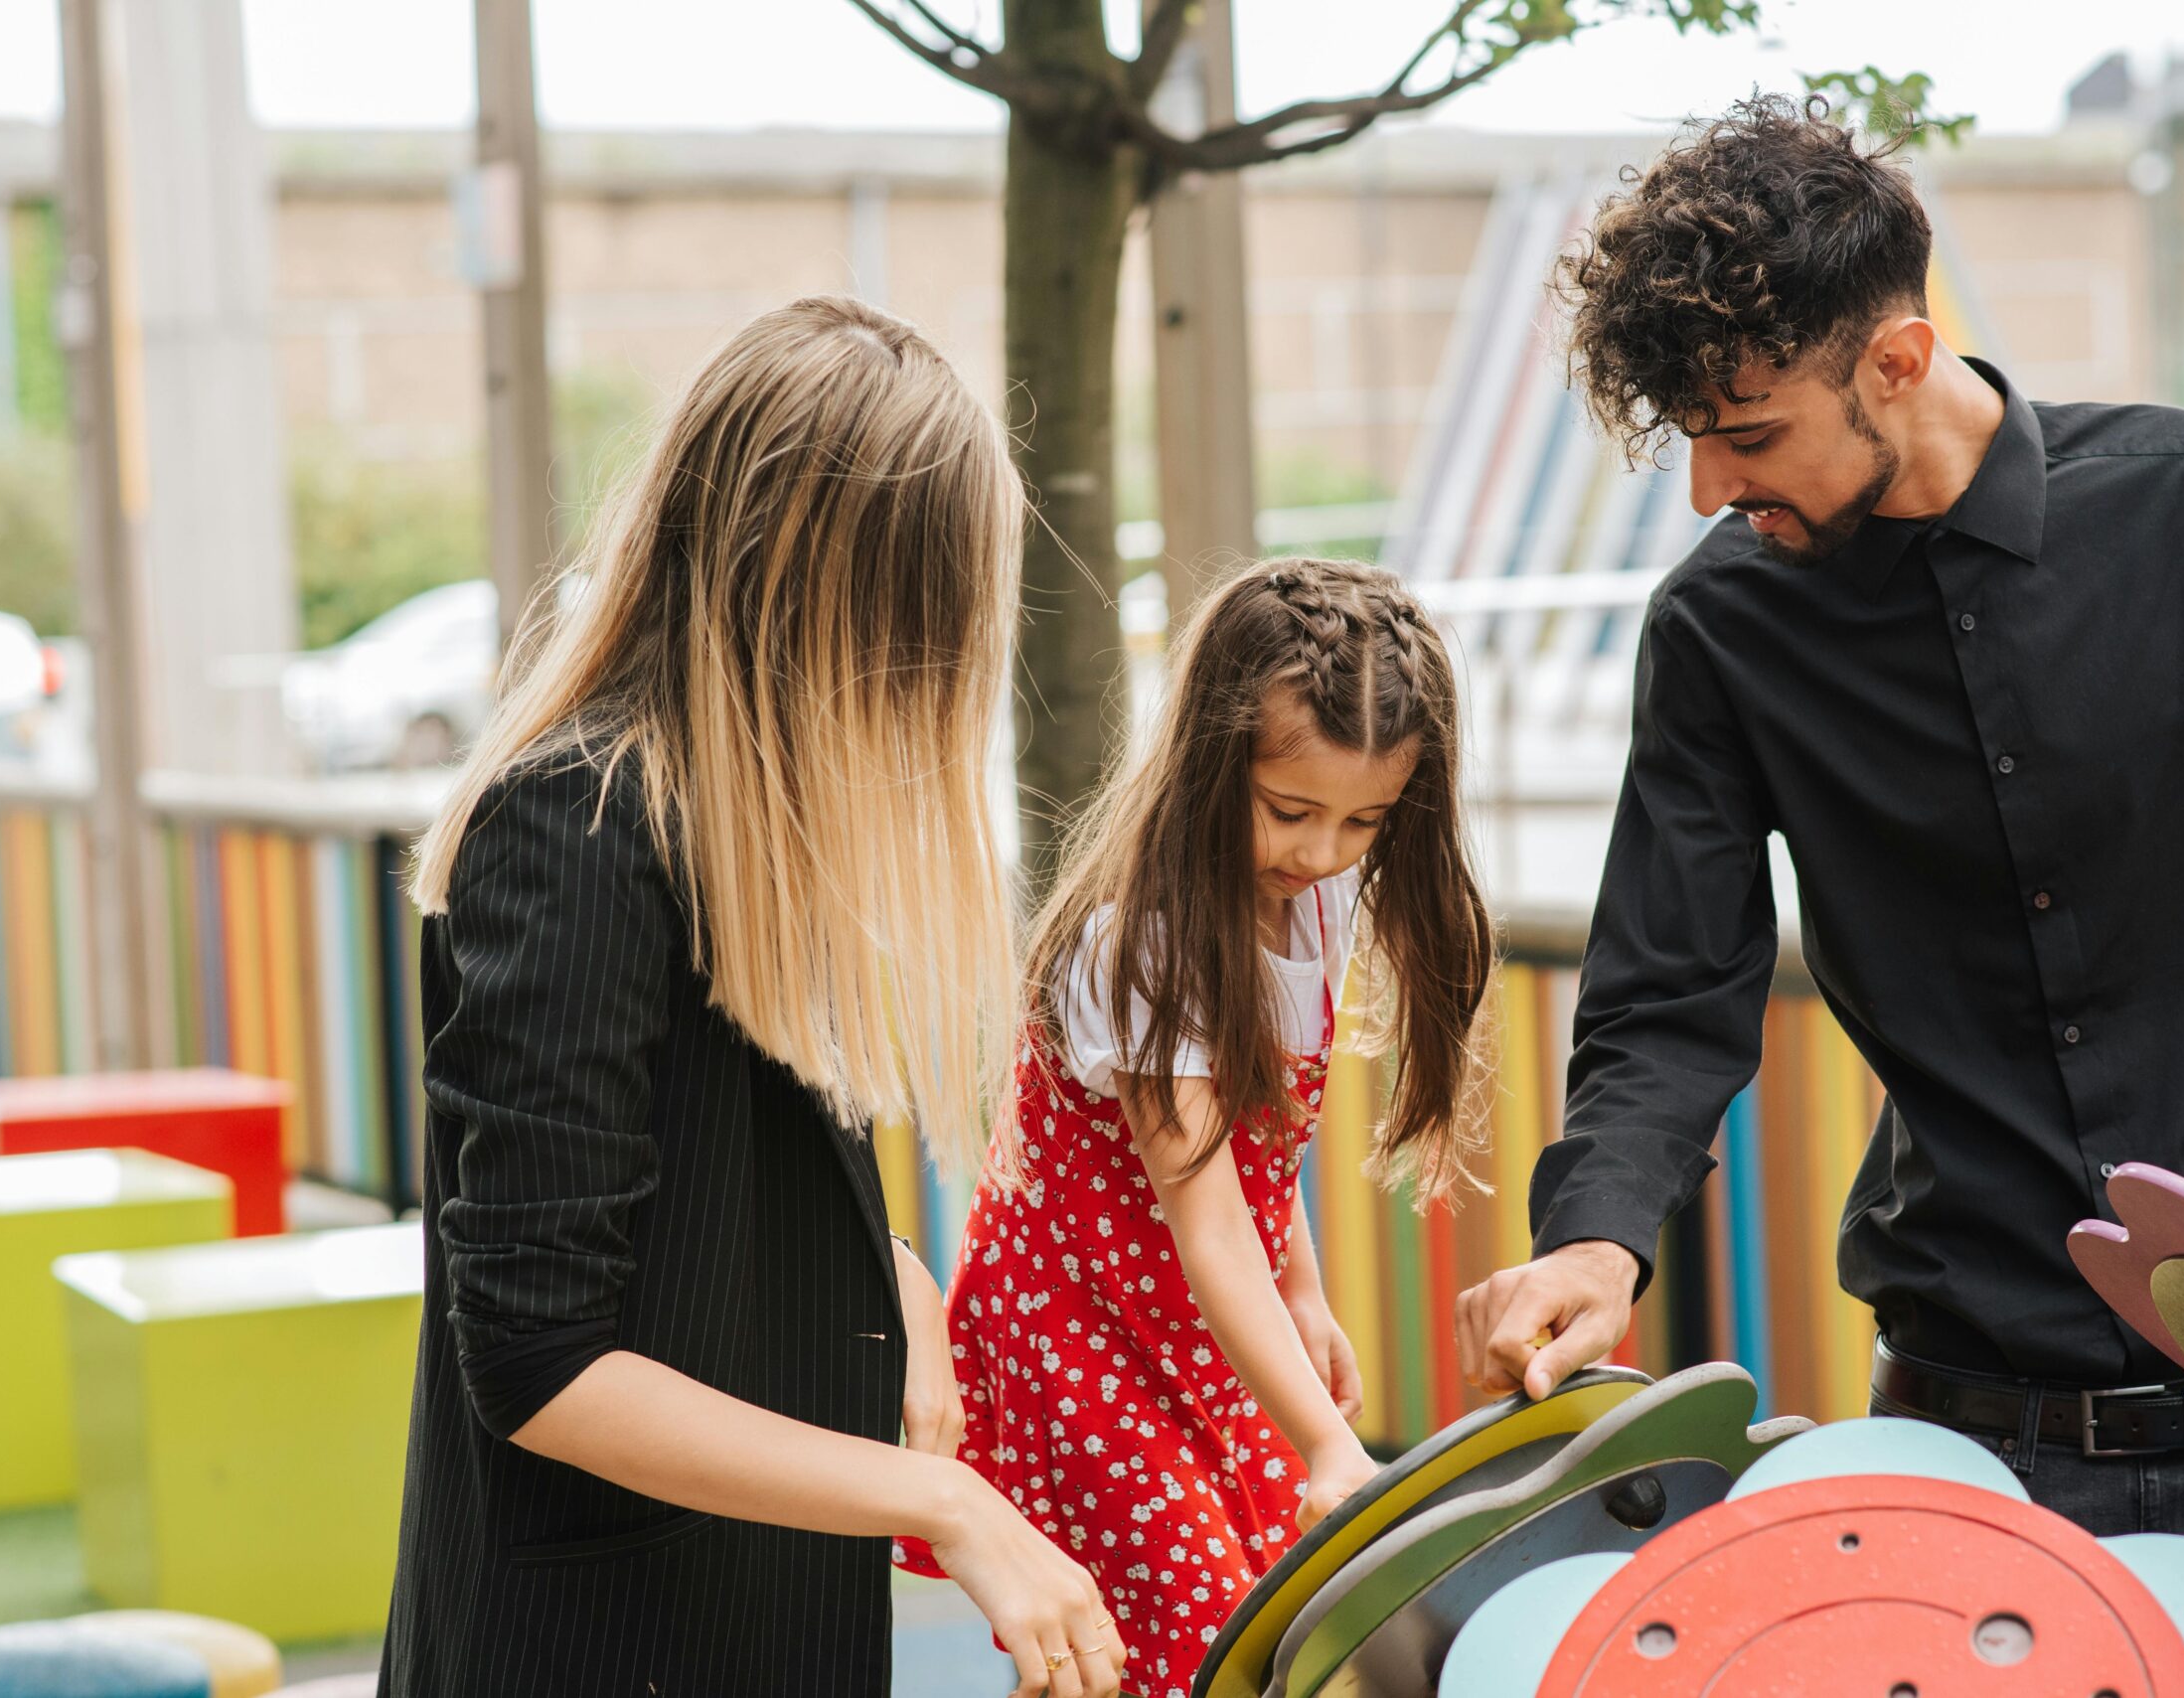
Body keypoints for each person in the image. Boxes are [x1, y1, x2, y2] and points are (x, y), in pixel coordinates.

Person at [1454, 96, 2184, 1619]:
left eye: (1750, 434)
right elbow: (1670, 996)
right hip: (1952, 1444)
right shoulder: (1722, 629)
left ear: (1897, 362)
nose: (1712, 493)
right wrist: (1594, 1238)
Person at [378, 296, 1128, 1698]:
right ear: (823, 594)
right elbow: (543, 1358)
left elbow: (709, 1169)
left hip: (742, 1611)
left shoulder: (744, 823)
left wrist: (884, 1273)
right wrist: (951, 1505)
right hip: (603, 1646)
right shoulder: (576, 830)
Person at [894, 558, 1497, 1697]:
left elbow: (1260, 1154)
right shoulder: (1150, 942)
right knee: (1190, 1644)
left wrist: (1306, 1290)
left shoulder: (1304, 902)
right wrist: (1327, 1443)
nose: (1321, 852)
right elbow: (1208, 1218)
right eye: (1289, 810)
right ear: (1212, 757)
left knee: (1232, 1630)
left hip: (1194, 1333)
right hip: (1083, 1339)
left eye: (1363, 820)